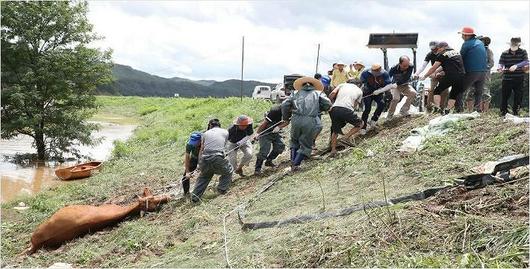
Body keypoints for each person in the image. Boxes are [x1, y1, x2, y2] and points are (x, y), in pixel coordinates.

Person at [281, 76, 331, 171]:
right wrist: (321, 108)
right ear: (314, 86)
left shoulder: (295, 93)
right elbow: (327, 103)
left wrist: (286, 118)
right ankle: (295, 165)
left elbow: (284, 104)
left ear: (302, 85)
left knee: (294, 141)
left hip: (295, 119)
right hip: (310, 119)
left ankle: (292, 162)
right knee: (306, 145)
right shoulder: (318, 93)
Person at [191, 119, 232, 203]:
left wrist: (199, 163)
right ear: (219, 125)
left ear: (210, 126)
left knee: (204, 177)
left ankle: (195, 197)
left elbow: (202, 149)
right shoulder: (225, 132)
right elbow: (223, 145)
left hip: (205, 158)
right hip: (217, 157)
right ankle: (221, 190)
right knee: (228, 171)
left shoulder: (205, 134)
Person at [420, 42, 466, 114]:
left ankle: (438, 108)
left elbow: (433, 67)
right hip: (461, 76)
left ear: (443, 47)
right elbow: (444, 65)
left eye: (438, 48)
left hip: (451, 75)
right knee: (453, 94)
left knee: (437, 91)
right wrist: (435, 73)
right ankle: (448, 110)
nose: (438, 50)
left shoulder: (442, 54)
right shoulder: (456, 52)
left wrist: (425, 76)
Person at [254, 97, 289, 175]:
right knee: (264, 150)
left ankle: (269, 161)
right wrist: (257, 133)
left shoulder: (289, 110)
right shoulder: (275, 110)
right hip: (266, 131)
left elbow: (287, 122)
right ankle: (257, 169)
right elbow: (264, 123)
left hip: (275, 132)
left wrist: (279, 127)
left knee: (280, 146)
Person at [328, 82, 364, 156]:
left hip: (334, 109)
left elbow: (332, 94)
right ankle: (345, 138)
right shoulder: (359, 91)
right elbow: (354, 105)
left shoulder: (342, 85)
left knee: (335, 130)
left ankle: (333, 150)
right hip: (346, 109)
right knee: (360, 124)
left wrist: (329, 105)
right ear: (358, 84)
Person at [458, 26, 488, 112]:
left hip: (472, 71)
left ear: (467, 35)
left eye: (462, 35)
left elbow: (460, 58)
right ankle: (477, 110)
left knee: (459, 90)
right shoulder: (480, 43)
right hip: (483, 72)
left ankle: (459, 110)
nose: (462, 37)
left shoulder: (466, 44)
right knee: (478, 93)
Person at [414, 41, 449, 112]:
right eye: (432, 49)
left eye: (435, 49)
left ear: (438, 47)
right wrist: (416, 73)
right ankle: (429, 108)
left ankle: (442, 108)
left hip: (443, 73)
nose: (433, 51)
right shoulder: (430, 54)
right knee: (431, 90)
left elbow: (445, 65)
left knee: (445, 91)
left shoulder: (444, 54)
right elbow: (423, 65)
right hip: (433, 73)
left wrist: (438, 72)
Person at [498, 37, 529, 116]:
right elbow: (501, 63)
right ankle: (503, 112)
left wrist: (516, 65)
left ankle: (516, 111)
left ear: (518, 45)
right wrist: (501, 68)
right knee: (505, 96)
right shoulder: (504, 53)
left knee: (518, 96)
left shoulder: (523, 52)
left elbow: (526, 61)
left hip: (519, 78)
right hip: (507, 78)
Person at [359, 64, 392, 135]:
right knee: (367, 108)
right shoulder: (365, 73)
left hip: (378, 92)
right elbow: (361, 83)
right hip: (367, 93)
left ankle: (374, 120)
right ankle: (363, 126)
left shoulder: (385, 73)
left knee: (382, 104)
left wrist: (380, 90)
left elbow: (388, 85)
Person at [181, 131, 201, 197]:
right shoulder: (189, 144)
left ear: (200, 140)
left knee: (203, 175)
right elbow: (187, 157)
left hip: (205, 158)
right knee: (185, 178)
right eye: (192, 142)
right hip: (194, 158)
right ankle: (186, 193)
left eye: (195, 143)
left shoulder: (206, 142)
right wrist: (187, 172)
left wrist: (199, 166)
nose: (193, 144)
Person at [477, 36, 494, 112]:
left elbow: (491, 63)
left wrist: (484, 67)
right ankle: (477, 110)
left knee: (485, 92)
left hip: (485, 74)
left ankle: (485, 111)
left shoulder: (488, 51)